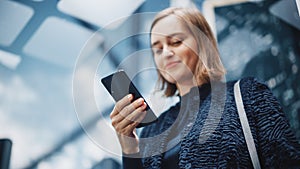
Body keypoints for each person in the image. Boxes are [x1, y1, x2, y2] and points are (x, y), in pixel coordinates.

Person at [109, 7, 300, 169]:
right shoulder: (153, 130)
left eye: (175, 42)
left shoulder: (248, 94)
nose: (166, 53)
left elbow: (287, 161)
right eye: (157, 49)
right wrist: (129, 146)